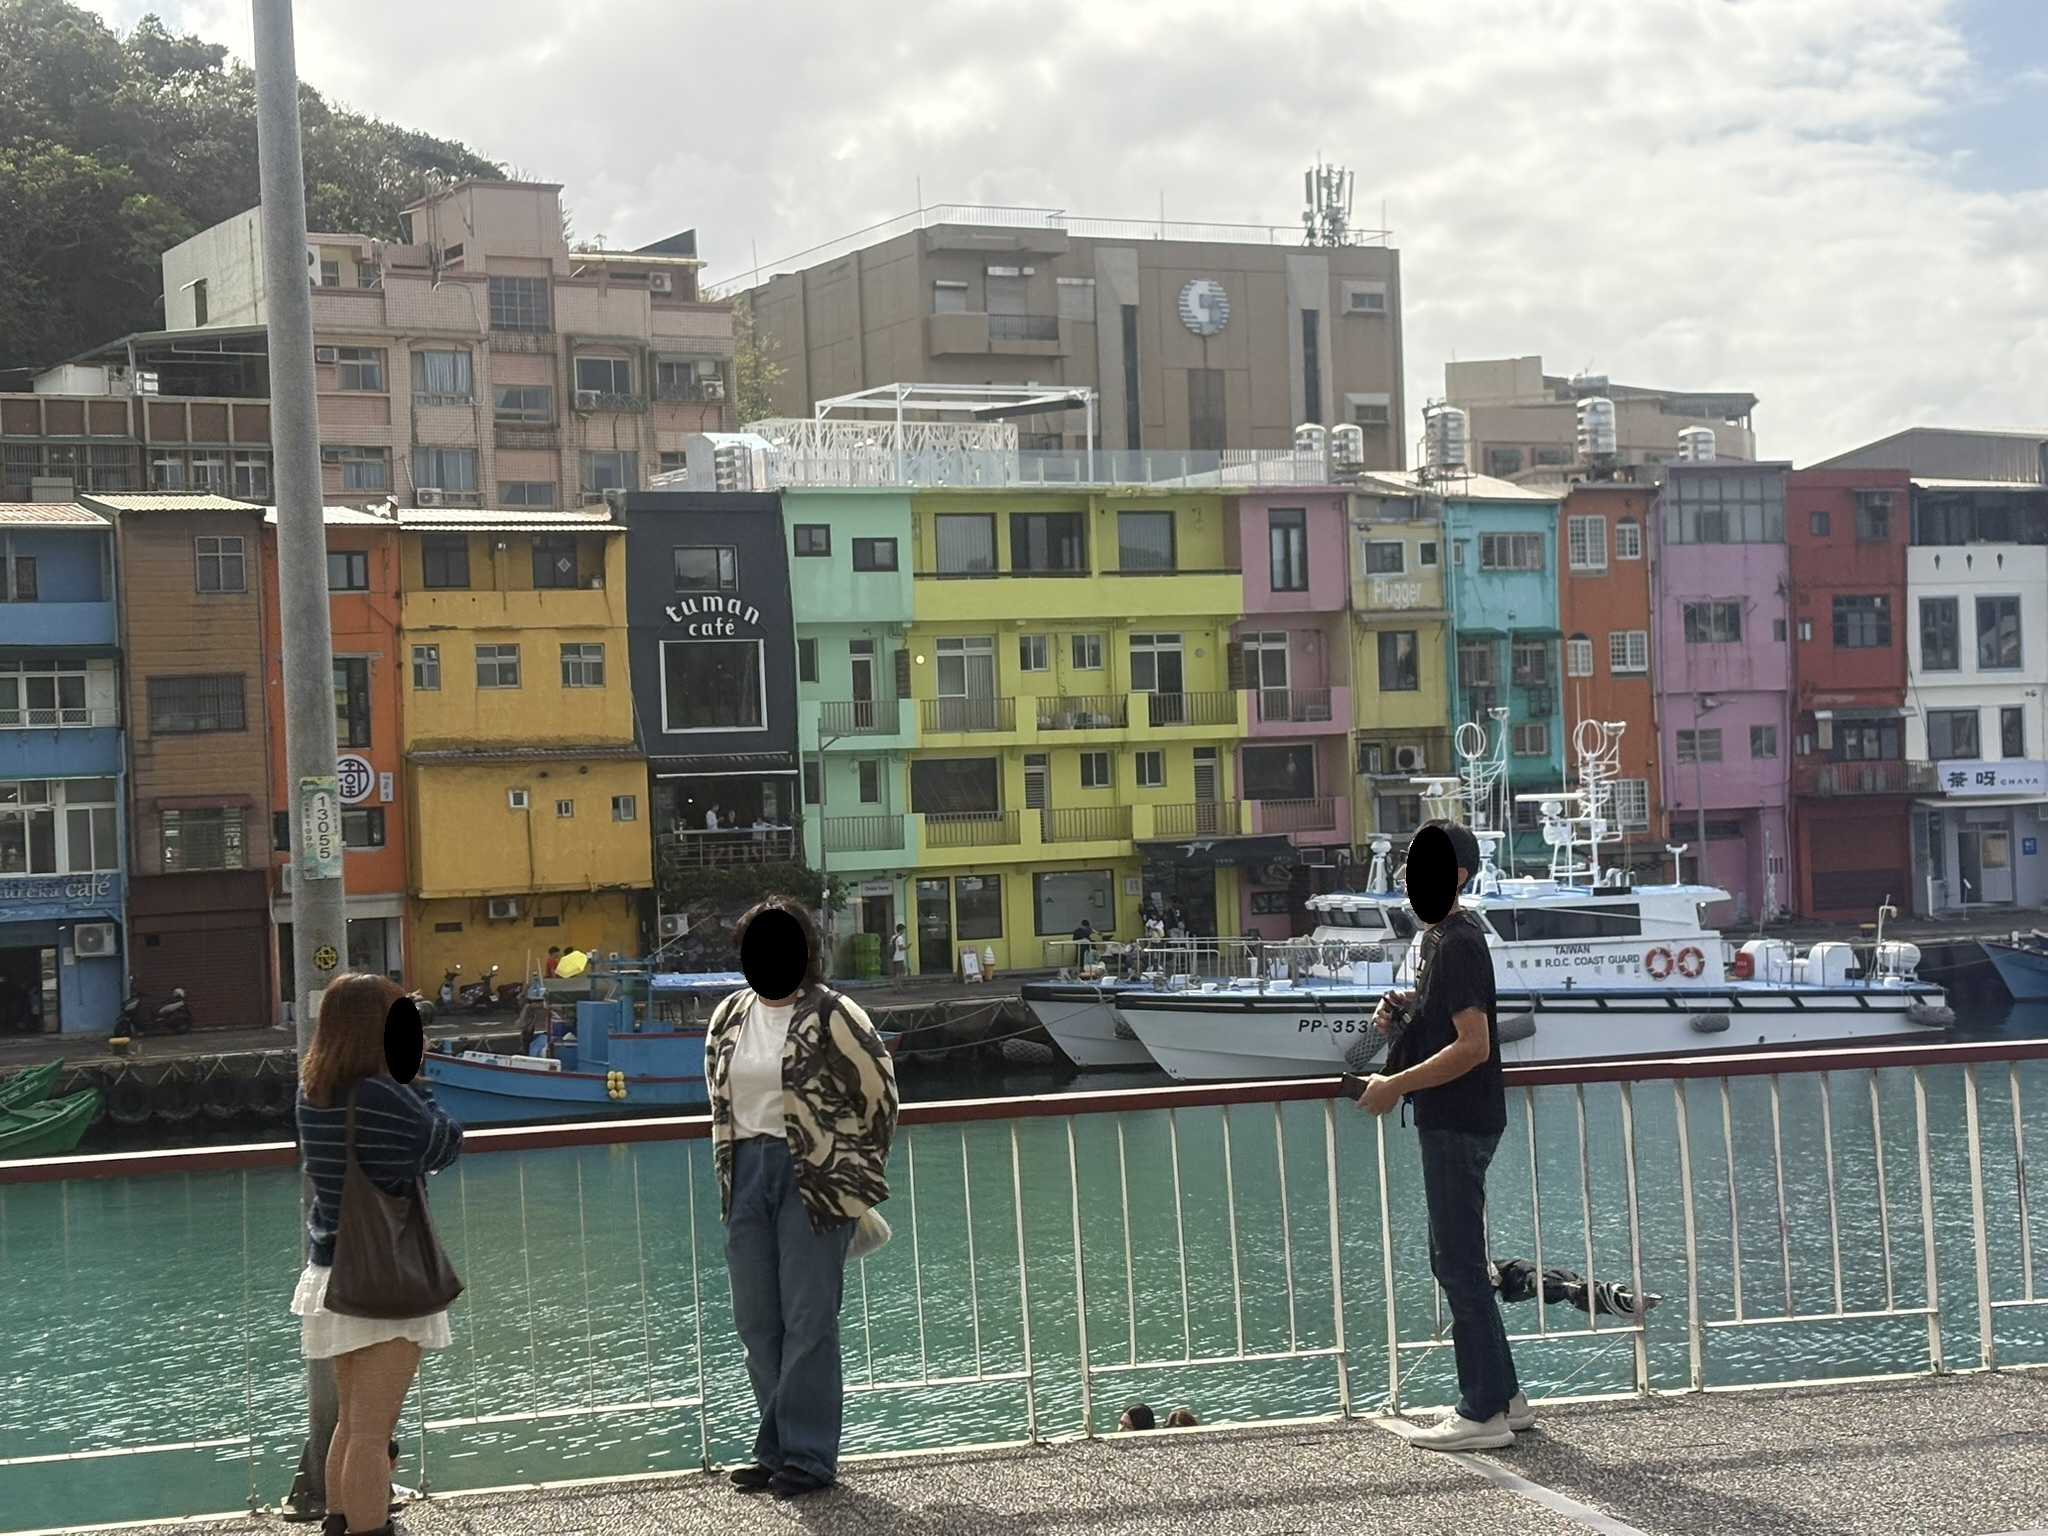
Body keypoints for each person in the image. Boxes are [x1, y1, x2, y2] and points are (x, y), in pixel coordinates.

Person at [708, 897, 899, 1500]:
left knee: (809, 1319)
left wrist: (851, 1170)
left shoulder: (834, 1013)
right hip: (744, 1171)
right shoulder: (729, 1016)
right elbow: (718, 1097)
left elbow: (880, 1096)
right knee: (756, 1319)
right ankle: (777, 1448)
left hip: (814, 1177)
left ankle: (809, 1456)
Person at [1356, 820, 1529, 1452]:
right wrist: (1410, 1008)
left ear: (1455, 876)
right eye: (1408, 868)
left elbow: (1474, 1046)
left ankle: (1481, 1412)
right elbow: (1456, 1021)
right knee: (1458, 1261)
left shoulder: (1455, 943)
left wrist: (1393, 1084)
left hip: (1458, 1121)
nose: (1408, 879)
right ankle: (1506, 1398)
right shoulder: (1442, 939)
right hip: (1459, 1118)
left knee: (1456, 1264)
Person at [291, 974, 463, 1536]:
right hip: (382, 1280)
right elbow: (442, 1142)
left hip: (331, 1271)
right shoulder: (381, 1094)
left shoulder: (314, 1090)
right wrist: (417, 1080)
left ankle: (339, 1522)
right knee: (371, 1434)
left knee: (351, 1424)